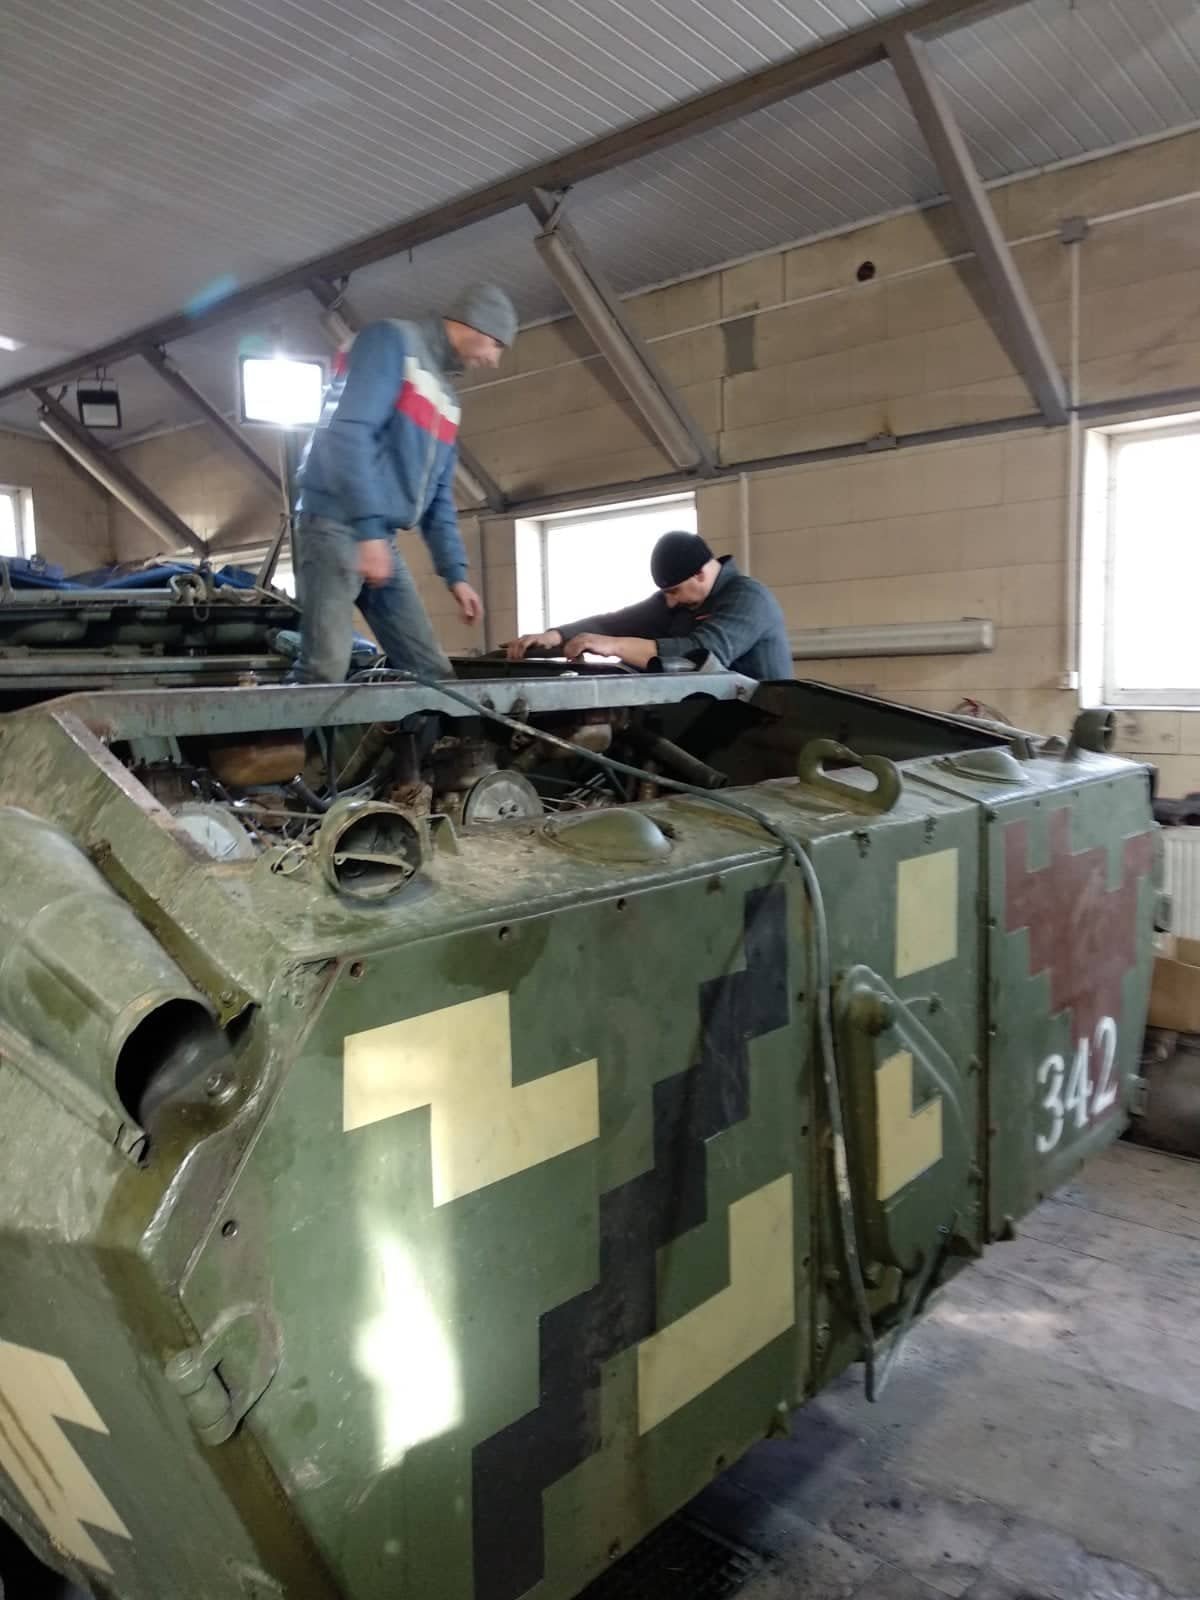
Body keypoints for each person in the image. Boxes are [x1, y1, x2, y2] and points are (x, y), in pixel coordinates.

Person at [293, 284, 518, 683]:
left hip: (379, 536)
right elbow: (349, 432)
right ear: (478, 326)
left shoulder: (447, 399)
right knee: (324, 670)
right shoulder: (390, 342)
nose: (493, 360)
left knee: (432, 674)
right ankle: (280, 725)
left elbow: (439, 498)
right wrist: (368, 534)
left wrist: (455, 575)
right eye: (497, 346)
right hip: (334, 524)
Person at [506, 530, 792, 680]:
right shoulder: (678, 600)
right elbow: (614, 622)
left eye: (674, 591)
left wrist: (615, 646)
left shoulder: (748, 597)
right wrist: (555, 635)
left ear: (700, 574)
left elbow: (702, 655)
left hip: (764, 730)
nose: (669, 601)